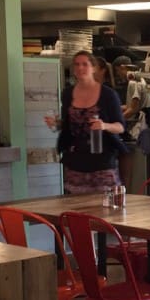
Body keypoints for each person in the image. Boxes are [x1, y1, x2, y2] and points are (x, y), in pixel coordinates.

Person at [46, 51, 127, 194]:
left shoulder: (108, 94)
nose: (80, 68)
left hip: (102, 160)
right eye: (77, 64)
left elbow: (120, 127)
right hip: (75, 161)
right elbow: (68, 126)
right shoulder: (67, 94)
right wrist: (56, 124)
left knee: (106, 206)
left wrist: (104, 126)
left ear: (94, 68)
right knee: (76, 209)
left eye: (85, 64)